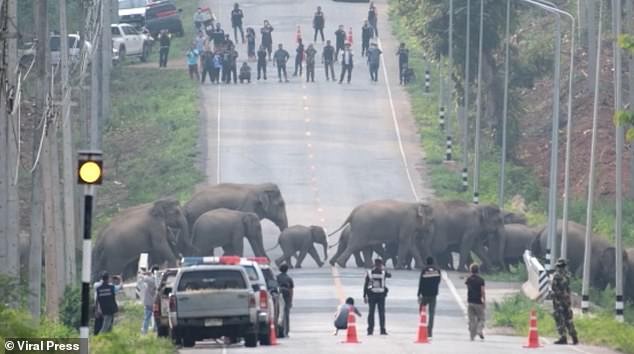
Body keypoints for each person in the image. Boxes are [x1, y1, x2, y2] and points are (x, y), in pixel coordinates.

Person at [552, 258, 578, 345]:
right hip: (567, 300)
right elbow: (568, 288)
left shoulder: (556, 276)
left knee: (560, 318)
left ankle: (563, 337)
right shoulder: (568, 275)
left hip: (559, 301)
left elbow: (554, 288)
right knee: (568, 319)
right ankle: (574, 336)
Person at [363, 258, 391, 335]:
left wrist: (364, 295)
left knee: (371, 313)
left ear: (374, 264)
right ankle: (382, 330)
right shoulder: (383, 272)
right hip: (381, 295)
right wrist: (384, 269)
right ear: (381, 264)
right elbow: (390, 275)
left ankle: (370, 330)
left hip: (371, 295)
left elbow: (366, 285)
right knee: (381, 313)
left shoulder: (369, 273)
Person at [417, 257, 441, 338]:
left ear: (426, 262)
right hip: (433, 294)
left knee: (421, 310)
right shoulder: (437, 270)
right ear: (433, 262)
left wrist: (418, 293)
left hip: (424, 294)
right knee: (431, 313)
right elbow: (438, 281)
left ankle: (422, 323)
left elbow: (421, 282)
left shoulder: (424, 270)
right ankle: (429, 331)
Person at [465, 263, 486, 341]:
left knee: (471, 319)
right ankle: (479, 330)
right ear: (478, 271)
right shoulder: (481, 280)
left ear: (471, 270)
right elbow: (482, 291)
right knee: (482, 318)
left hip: (470, 301)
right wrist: (484, 300)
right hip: (478, 301)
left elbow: (468, 288)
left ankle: (472, 336)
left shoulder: (468, 279)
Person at [277, 263, 294, 337]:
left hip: (279, 295)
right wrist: (290, 301)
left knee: (278, 313)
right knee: (286, 313)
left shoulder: (277, 277)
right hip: (287, 296)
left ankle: (279, 329)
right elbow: (291, 290)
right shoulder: (289, 278)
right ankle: (286, 331)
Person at [141, 267, 158, 334]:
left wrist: (145, 273)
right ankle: (155, 329)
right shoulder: (159, 279)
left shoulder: (150, 279)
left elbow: (142, 277)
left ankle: (144, 331)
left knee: (147, 317)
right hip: (156, 302)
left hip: (148, 302)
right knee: (156, 317)